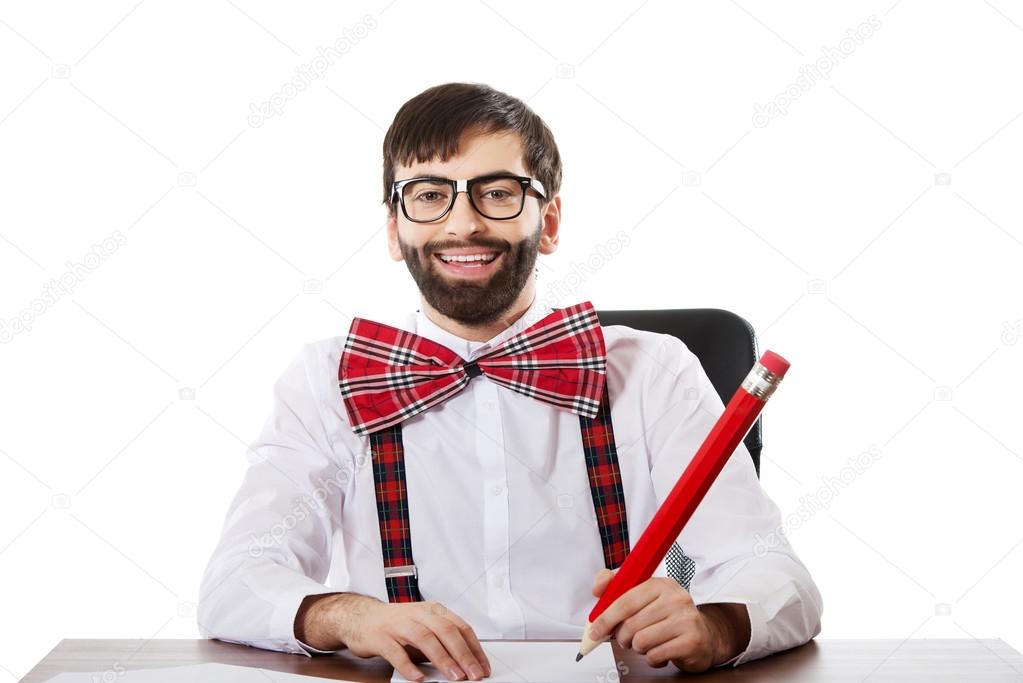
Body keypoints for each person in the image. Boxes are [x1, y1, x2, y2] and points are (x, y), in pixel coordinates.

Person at [198, 82, 823, 681]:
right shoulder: (325, 379)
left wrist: (716, 627)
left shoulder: (653, 370)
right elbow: (235, 582)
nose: (463, 224)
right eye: (428, 194)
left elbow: (774, 571)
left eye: (497, 193)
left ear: (548, 221)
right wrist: (342, 613)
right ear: (394, 227)